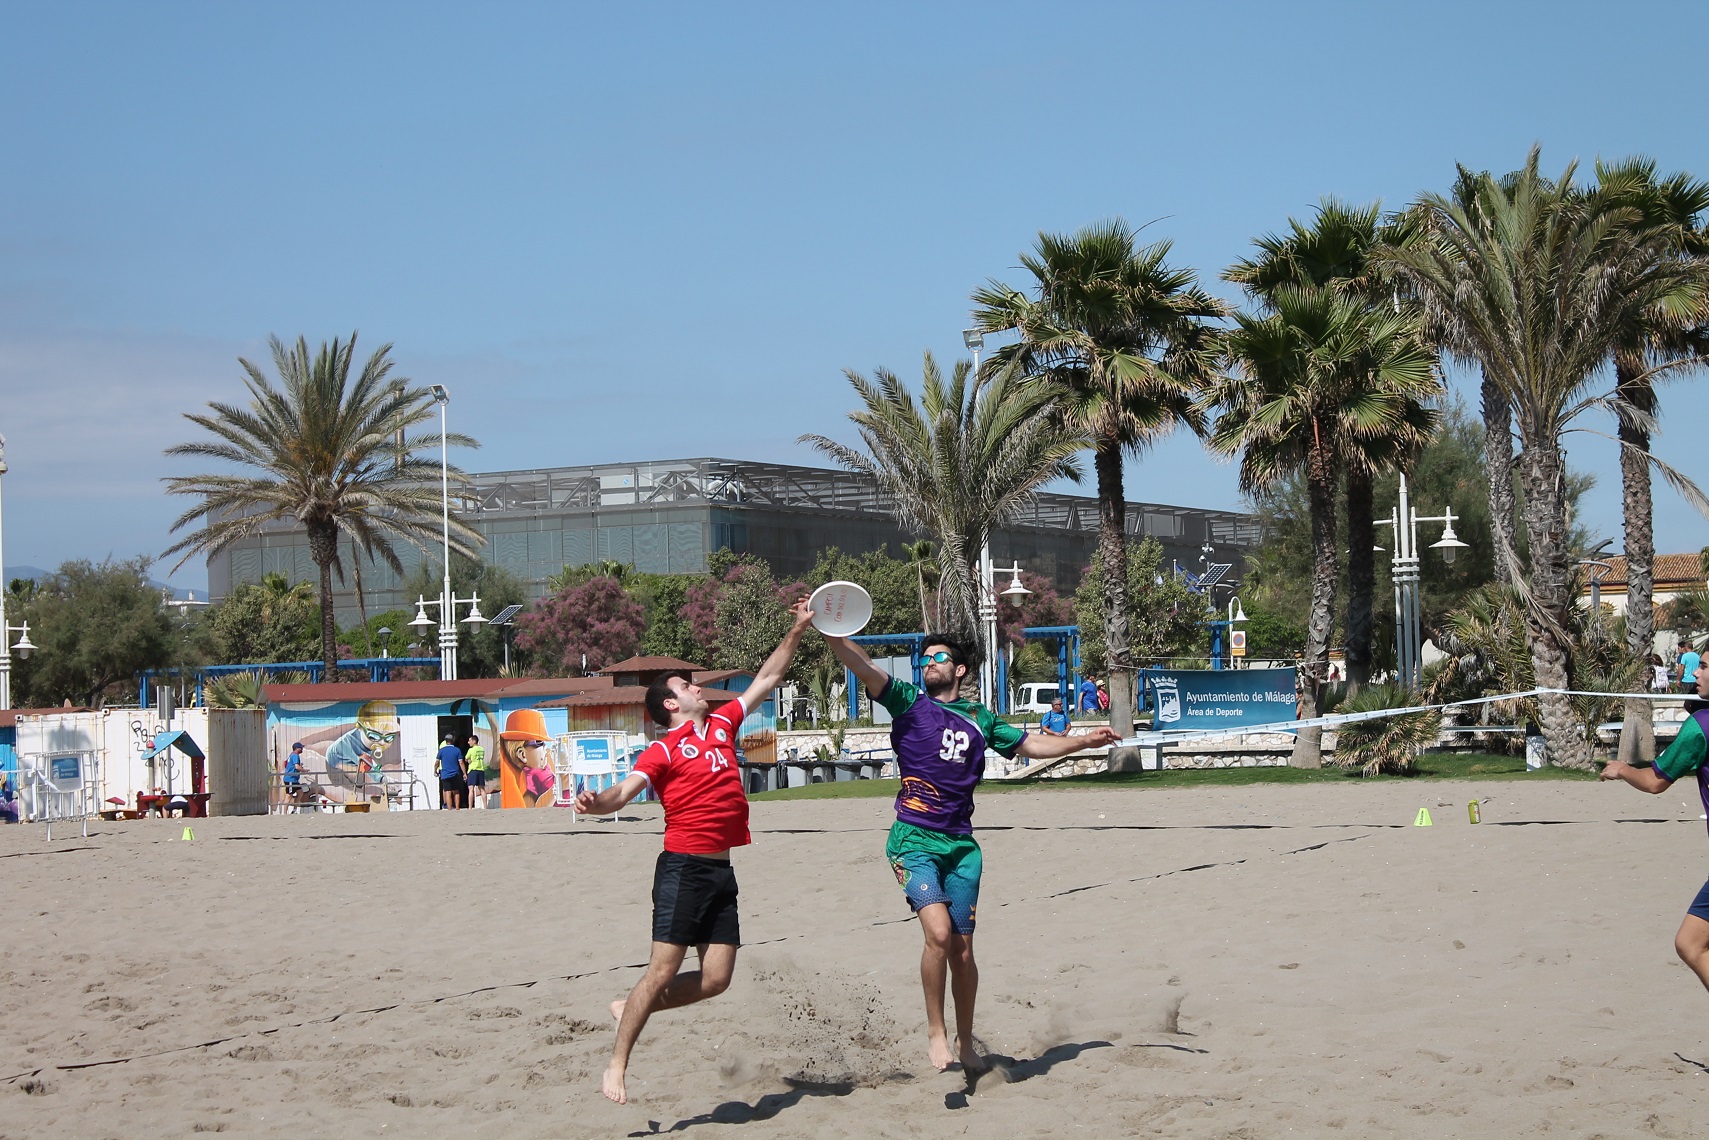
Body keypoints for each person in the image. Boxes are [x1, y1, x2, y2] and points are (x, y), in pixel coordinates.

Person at [822, 631, 1121, 1073]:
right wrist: (832, 632)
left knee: (963, 951)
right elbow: (863, 666)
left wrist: (1083, 741)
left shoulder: (980, 717)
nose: (927, 664)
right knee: (938, 935)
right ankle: (936, 1034)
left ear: (959, 670)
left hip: (962, 849)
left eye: (937, 658)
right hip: (913, 839)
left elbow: (1030, 746)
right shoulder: (907, 701)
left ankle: (965, 1041)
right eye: (923, 659)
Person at [575, 596, 815, 1105]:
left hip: (720, 871)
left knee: (716, 979)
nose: (697, 686)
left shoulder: (725, 724)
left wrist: (797, 629)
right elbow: (625, 791)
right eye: (687, 685)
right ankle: (617, 1064)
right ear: (670, 703)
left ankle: (635, 1006)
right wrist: (596, 805)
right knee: (661, 970)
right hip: (683, 869)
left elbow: (768, 679)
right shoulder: (662, 749)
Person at [1600, 656, 1709, 994]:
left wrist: (1622, 769)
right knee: (1690, 943)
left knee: (1690, 944)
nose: (1694, 672)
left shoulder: (1701, 726)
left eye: (1704, 666)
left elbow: (1655, 781)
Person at [500, 709, 558, 807]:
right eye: (539, 742)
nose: (545, 748)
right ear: (522, 754)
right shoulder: (515, 783)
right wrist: (558, 787)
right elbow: (535, 810)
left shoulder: (519, 775)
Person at [436, 733, 466, 809]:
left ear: (446, 741)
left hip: (445, 774)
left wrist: (435, 770)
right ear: (453, 740)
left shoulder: (441, 751)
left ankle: (449, 808)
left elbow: (437, 762)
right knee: (456, 791)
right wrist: (464, 773)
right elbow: (461, 762)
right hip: (455, 773)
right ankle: (457, 808)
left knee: (448, 791)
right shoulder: (457, 750)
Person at [464, 734, 488, 808]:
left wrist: (468, 760)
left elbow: (466, 758)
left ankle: (470, 807)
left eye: (470, 740)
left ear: (474, 741)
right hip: (480, 769)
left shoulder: (471, 750)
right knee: (482, 789)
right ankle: (485, 806)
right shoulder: (481, 749)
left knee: (471, 789)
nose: (468, 742)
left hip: (473, 769)